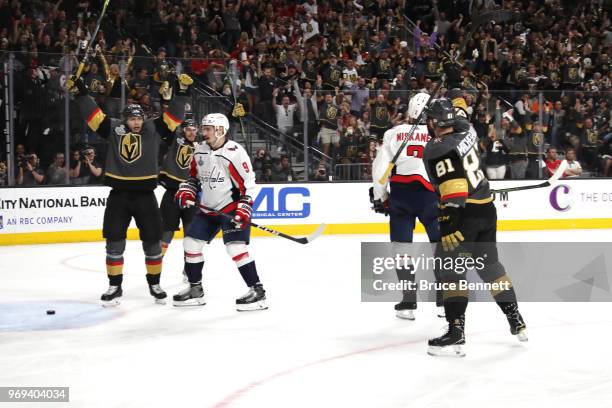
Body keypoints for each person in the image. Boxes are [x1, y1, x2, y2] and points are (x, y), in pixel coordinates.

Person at [68, 72, 192, 307]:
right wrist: (82, 94)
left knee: (153, 242)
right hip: (119, 196)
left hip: (146, 196)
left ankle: (154, 284)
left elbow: (174, 117)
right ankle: (114, 286)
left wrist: (182, 94)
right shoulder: (114, 129)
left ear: (144, 119)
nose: (135, 122)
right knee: (114, 242)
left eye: (139, 119)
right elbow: (94, 117)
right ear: (125, 120)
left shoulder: (153, 130)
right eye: (131, 119)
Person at [423, 98, 527, 357]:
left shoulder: (437, 149)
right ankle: (516, 320)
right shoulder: (467, 131)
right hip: (486, 209)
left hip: (464, 212)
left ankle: (456, 334)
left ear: (435, 122)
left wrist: (449, 225)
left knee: (450, 269)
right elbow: (462, 120)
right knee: (491, 268)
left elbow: (454, 187)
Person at [173, 113, 267, 311]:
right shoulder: (199, 150)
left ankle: (257, 292)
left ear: (220, 131)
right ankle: (195, 289)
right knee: (190, 244)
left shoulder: (235, 152)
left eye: (208, 129)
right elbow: (194, 178)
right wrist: (187, 189)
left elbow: (249, 185)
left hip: (231, 209)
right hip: (208, 209)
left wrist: (244, 208)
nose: (203, 132)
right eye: (203, 128)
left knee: (236, 248)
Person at [370, 92, 441, 320]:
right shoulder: (439, 135)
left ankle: (409, 302)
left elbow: (380, 169)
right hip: (431, 196)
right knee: (440, 247)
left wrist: (380, 197)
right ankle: (443, 301)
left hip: (401, 196)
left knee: (402, 249)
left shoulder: (393, 133)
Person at [159, 119, 199, 263]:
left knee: (190, 235)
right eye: (188, 129)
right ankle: (156, 265)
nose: (192, 132)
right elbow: (168, 127)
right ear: (182, 130)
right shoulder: (174, 140)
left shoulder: (201, 148)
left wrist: (231, 117)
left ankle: (189, 268)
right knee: (166, 233)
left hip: (192, 196)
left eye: (194, 129)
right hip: (172, 194)